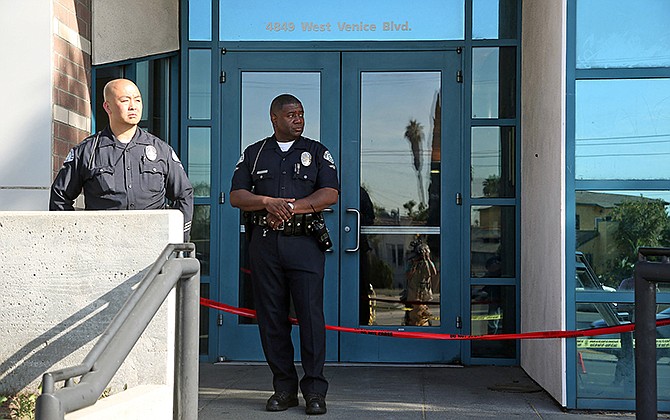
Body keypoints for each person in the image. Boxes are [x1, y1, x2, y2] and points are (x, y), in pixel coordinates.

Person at [229, 94, 338, 415]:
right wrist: (266, 203)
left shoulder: (316, 152)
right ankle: (284, 389)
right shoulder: (255, 153)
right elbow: (236, 195)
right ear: (274, 118)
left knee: (310, 318)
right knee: (272, 319)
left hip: (304, 245)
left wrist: (290, 207)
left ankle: (315, 391)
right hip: (265, 245)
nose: (298, 119)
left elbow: (330, 193)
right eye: (291, 114)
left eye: (301, 114)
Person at [49, 78, 193, 241]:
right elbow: (60, 196)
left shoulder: (161, 150)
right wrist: (73, 238)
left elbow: (184, 194)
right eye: (125, 100)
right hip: (103, 249)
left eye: (137, 100)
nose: (133, 106)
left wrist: (179, 238)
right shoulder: (87, 151)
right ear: (107, 107)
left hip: (154, 250)